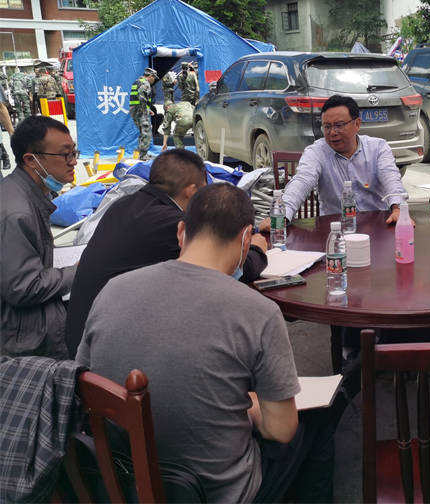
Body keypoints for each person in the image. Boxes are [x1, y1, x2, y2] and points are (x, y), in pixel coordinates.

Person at [76, 182, 334, 502]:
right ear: (246, 239)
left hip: (121, 484)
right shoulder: (259, 311)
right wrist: (250, 404)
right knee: (318, 423)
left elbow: (85, 382)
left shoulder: (112, 290)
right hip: (214, 494)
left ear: (181, 231)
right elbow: (280, 430)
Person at [65, 149, 269, 357]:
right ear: (192, 191)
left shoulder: (123, 205)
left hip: (85, 335)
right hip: (108, 352)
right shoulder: (170, 222)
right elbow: (228, 267)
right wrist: (256, 247)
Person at [1, 116, 78, 358]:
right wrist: (78, 270)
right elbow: (24, 287)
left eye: (74, 152)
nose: (74, 162)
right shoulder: (18, 212)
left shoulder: (25, 192)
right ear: (31, 160)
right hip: (23, 334)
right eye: (65, 155)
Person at [283, 95, 407, 224]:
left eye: (339, 125)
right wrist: (282, 215)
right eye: (327, 127)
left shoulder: (378, 148)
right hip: (334, 228)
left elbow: (391, 179)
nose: (332, 132)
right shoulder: (316, 152)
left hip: (377, 225)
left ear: (357, 124)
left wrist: (398, 209)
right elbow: (302, 180)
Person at [161, 72, 194, 150]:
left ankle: (181, 152)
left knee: (177, 135)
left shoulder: (170, 110)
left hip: (183, 121)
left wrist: (164, 143)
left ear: (167, 108)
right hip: (194, 119)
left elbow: (166, 128)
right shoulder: (185, 103)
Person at [129, 67, 157, 159]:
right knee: (146, 132)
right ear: (150, 76)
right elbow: (142, 98)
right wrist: (145, 110)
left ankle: (141, 153)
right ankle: (143, 155)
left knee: (142, 132)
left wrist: (148, 109)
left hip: (135, 110)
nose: (154, 80)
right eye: (154, 77)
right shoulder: (145, 83)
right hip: (140, 110)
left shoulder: (137, 82)